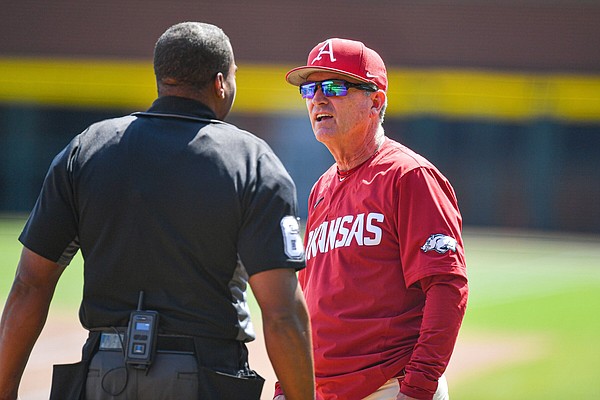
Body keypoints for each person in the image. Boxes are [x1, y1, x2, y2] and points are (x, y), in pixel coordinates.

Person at [0, 22, 314, 400]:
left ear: (161, 80)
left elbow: (30, 285)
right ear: (220, 83)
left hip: (104, 375)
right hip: (209, 377)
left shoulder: (87, 149)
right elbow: (281, 312)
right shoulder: (252, 160)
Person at [274, 38, 469, 400]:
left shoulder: (409, 176)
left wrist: (418, 388)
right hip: (323, 390)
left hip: (390, 387)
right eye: (309, 88)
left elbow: (447, 287)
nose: (318, 99)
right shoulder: (322, 188)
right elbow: (310, 299)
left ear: (375, 102)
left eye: (334, 86)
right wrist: (287, 386)